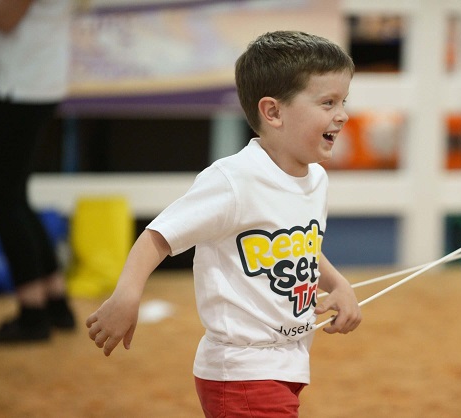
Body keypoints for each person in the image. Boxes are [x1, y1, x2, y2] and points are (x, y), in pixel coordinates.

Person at [85, 30, 362, 417]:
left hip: (287, 362)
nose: (343, 113)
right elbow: (158, 236)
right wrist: (127, 296)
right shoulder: (233, 180)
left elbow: (302, 246)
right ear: (273, 112)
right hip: (241, 371)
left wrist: (338, 284)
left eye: (343, 100)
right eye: (328, 102)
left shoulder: (315, 179)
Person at [0, 0, 76, 345]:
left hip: (24, 82)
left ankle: (32, 315)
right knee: (12, 196)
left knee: (2, 197)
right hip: (30, 79)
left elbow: (6, 16)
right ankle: (54, 302)